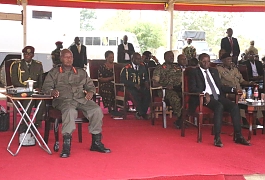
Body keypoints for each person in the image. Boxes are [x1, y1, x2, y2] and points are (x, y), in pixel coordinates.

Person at [42, 49, 110, 158]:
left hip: (81, 99)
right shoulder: (54, 72)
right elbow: (46, 87)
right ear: (61, 58)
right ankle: (66, 145)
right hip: (64, 100)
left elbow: (91, 86)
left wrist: (90, 92)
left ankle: (96, 142)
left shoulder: (81, 72)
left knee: (96, 110)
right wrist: (51, 91)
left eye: (71, 57)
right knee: (70, 111)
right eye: (66, 57)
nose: (69, 59)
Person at [188, 53, 250, 147]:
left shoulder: (214, 71)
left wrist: (233, 89)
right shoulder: (194, 72)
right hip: (203, 98)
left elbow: (220, 86)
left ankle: (238, 136)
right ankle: (217, 137)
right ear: (199, 61)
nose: (206, 63)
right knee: (219, 106)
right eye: (204, 61)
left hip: (218, 96)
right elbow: (192, 88)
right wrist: (204, 93)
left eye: (208, 61)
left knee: (234, 107)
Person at [10, 46, 45, 129]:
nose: (26, 56)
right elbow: (14, 81)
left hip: (35, 91)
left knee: (42, 100)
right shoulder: (17, 64)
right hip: (22, 91)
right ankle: (25, 122)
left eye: (29, 54)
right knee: (28, 100)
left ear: (33, 55)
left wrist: (39, 88)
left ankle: (38, 122)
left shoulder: (38, 65)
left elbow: (41, 80)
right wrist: (26, 88)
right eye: (25, 54)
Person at [152, 51, 182, 128]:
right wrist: (165, 85)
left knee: (188, 97)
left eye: (172, 56)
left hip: (179, 88)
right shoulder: (160, 68)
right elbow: (155, 83)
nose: (172, 57)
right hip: (165, 90)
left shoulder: (178, 67)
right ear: (165, 58)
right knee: (175, 98)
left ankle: (183, 118)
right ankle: (181, 119)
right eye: (170, 56)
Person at [120, 52, 150, 119]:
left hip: (140, 86)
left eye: (140, 59)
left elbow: (146, 77)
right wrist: (133, 84)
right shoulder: (126, 68)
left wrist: (146, 83)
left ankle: (141, 113)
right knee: (134, 93)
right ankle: (142, 113)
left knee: (147, 93)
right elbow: (122, 80)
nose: (139, 60)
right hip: (129, 87)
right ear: (132, 59)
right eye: (137, 59)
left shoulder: (142, 66)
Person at [98, 51, 121, 117]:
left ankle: (119, 106)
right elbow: (100, 79)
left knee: (119, 88)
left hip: (116, 83)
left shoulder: (116, 66)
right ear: (106, 58)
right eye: (110, 57)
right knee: (110, 87)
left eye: (113, 57)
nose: (112, 59)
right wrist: (111, 78)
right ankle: (111, 108)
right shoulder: (102, 67)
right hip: (105, 83)